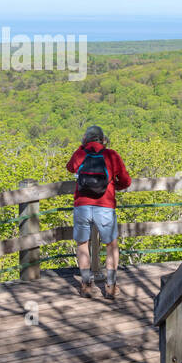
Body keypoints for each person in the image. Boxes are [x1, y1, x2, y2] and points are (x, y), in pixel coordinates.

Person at [66, 125, 131, 299]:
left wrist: (82, 147)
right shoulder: (111, 155)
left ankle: (86, 285)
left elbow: (70, 167)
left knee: (82, 244)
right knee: (111, 245)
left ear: (86, 139)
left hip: (82, 206)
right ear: (103, 139)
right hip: (105, 205)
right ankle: (110, 286)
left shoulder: (80, 154)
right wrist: (113, 186)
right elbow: (126, 180)